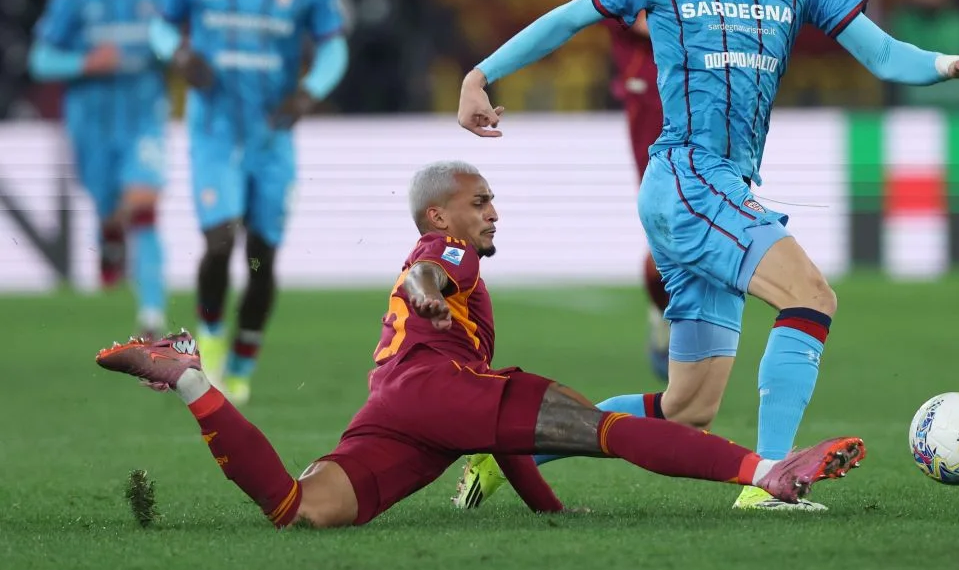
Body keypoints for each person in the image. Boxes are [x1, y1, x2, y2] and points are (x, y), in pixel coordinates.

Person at [455, 0, 959, 512]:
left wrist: (955, 64)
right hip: (688, 177)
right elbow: (568, 20)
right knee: (811, 295)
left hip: (717, 190)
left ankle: (510, 450)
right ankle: (770, 483)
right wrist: (480, 74)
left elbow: (884, 55)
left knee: (686, 408)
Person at [95, 161, 867, 527]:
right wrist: (428, 293)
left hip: (396, 407)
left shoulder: (445, 262)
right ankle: (769, 473)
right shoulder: (447, 253)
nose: (493, 212)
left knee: (299, 509)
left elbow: (498, 431)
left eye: (493, 200)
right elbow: (428, 274)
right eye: (479, 201)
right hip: (439, 388)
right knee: (610, 431)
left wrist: (549, 509)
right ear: (440, 216)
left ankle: (190, 379)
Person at [148, 0, 350, 405]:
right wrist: (179, 55)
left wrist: (309, 91)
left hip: (271, 139)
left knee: (261, 256)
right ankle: (211, 336)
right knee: (220, 242)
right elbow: (161, 27)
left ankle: (242, 362)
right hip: (214, 134)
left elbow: (333, 47)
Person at [576, 0, 735, 380]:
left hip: (720, 89)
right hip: (654, 90)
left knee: (713, 214)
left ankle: (693, 328)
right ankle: (665, 310)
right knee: (670, 218)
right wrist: (651, 23)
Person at [29, 0, 167, 339]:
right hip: (91, 127)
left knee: (143, 206)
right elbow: (40, 60)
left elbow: (175, 49)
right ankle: (110, 235)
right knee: (111, 209)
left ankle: (151, 317)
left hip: (144, 120)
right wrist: (85, 63)